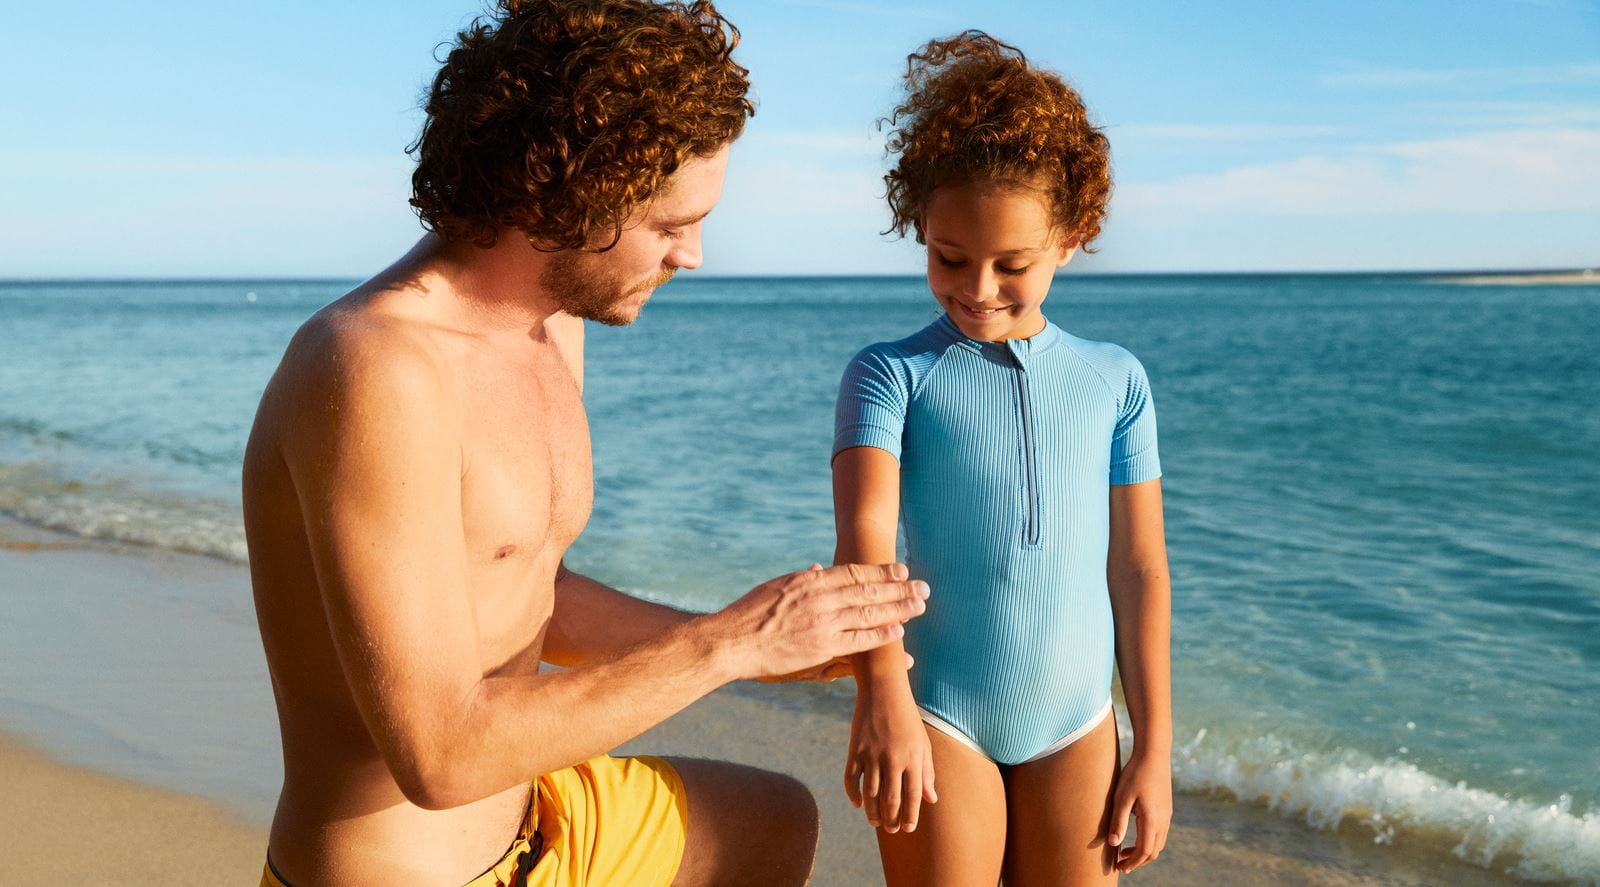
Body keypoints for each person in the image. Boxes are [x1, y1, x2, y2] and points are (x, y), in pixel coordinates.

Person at [241, 2, 928, 885]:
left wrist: (795, 650)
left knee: (767, 823)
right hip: (410, 867)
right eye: (671, 224)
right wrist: (725, 646)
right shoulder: (372, 369)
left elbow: (531, 591)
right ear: (566, 197)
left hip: (546, 820)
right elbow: (440, 755)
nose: (695, 254)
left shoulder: (551, 326)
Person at [831, 31, 1174, 885]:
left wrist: (1156, 749)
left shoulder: (1116, 380)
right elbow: (865, 546)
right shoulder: (889, 375)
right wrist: (882, 694)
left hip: (1078, 726)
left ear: (1074, 234)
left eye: (1011, 264)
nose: (978, 289)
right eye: (949, 258)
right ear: (921, 225)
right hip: (936, 713)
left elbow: (1136, 569)